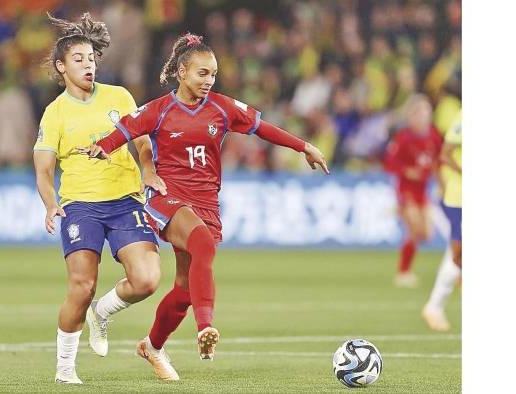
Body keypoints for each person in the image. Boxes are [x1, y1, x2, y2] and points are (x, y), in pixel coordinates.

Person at [79, 33, 330, 381]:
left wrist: (303, 146)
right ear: (182, 72)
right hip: (167, 195)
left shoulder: (223, 108)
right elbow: (126, 128)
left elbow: (263, 129)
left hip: (205, 202)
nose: (209, 80)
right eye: (202, 73)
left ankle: (152, 346)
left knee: (184, 288)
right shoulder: (160, 109)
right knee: (202, 244)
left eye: (213, 74)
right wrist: (103, 147)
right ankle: (205, 328)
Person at [33, 13, 164, 384]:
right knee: (82, 285)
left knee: (147, 279)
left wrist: (149, 169)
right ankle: (64, 370)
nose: (88, 64)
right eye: (78, 59)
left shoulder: (119, 96)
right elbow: (43, 168)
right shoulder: (55, 113)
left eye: (91, 57)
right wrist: (49, 202)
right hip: (81, 205)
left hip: (125, 199)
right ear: (61, 66)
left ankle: (101, 313)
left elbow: (141, 140)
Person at [383, 94, 443, 287]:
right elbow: (390, 164)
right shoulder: (404, 138)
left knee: (426, 234)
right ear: (412, 115)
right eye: (420, 112)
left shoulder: (434, 135)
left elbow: (440, 159)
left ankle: (405, 270)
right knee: (414, 228)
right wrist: (408, 171)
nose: (424, 116)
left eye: (427, 111)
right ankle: (403, 272)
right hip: (406, 191)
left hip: (423, 191)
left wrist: (440, 179)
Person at [422, 109, 462, 331]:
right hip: (460, 196)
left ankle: (434, 307)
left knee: (458, 250)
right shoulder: (464, 117)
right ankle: (434, 307)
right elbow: (445, 154)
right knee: (459, 250)